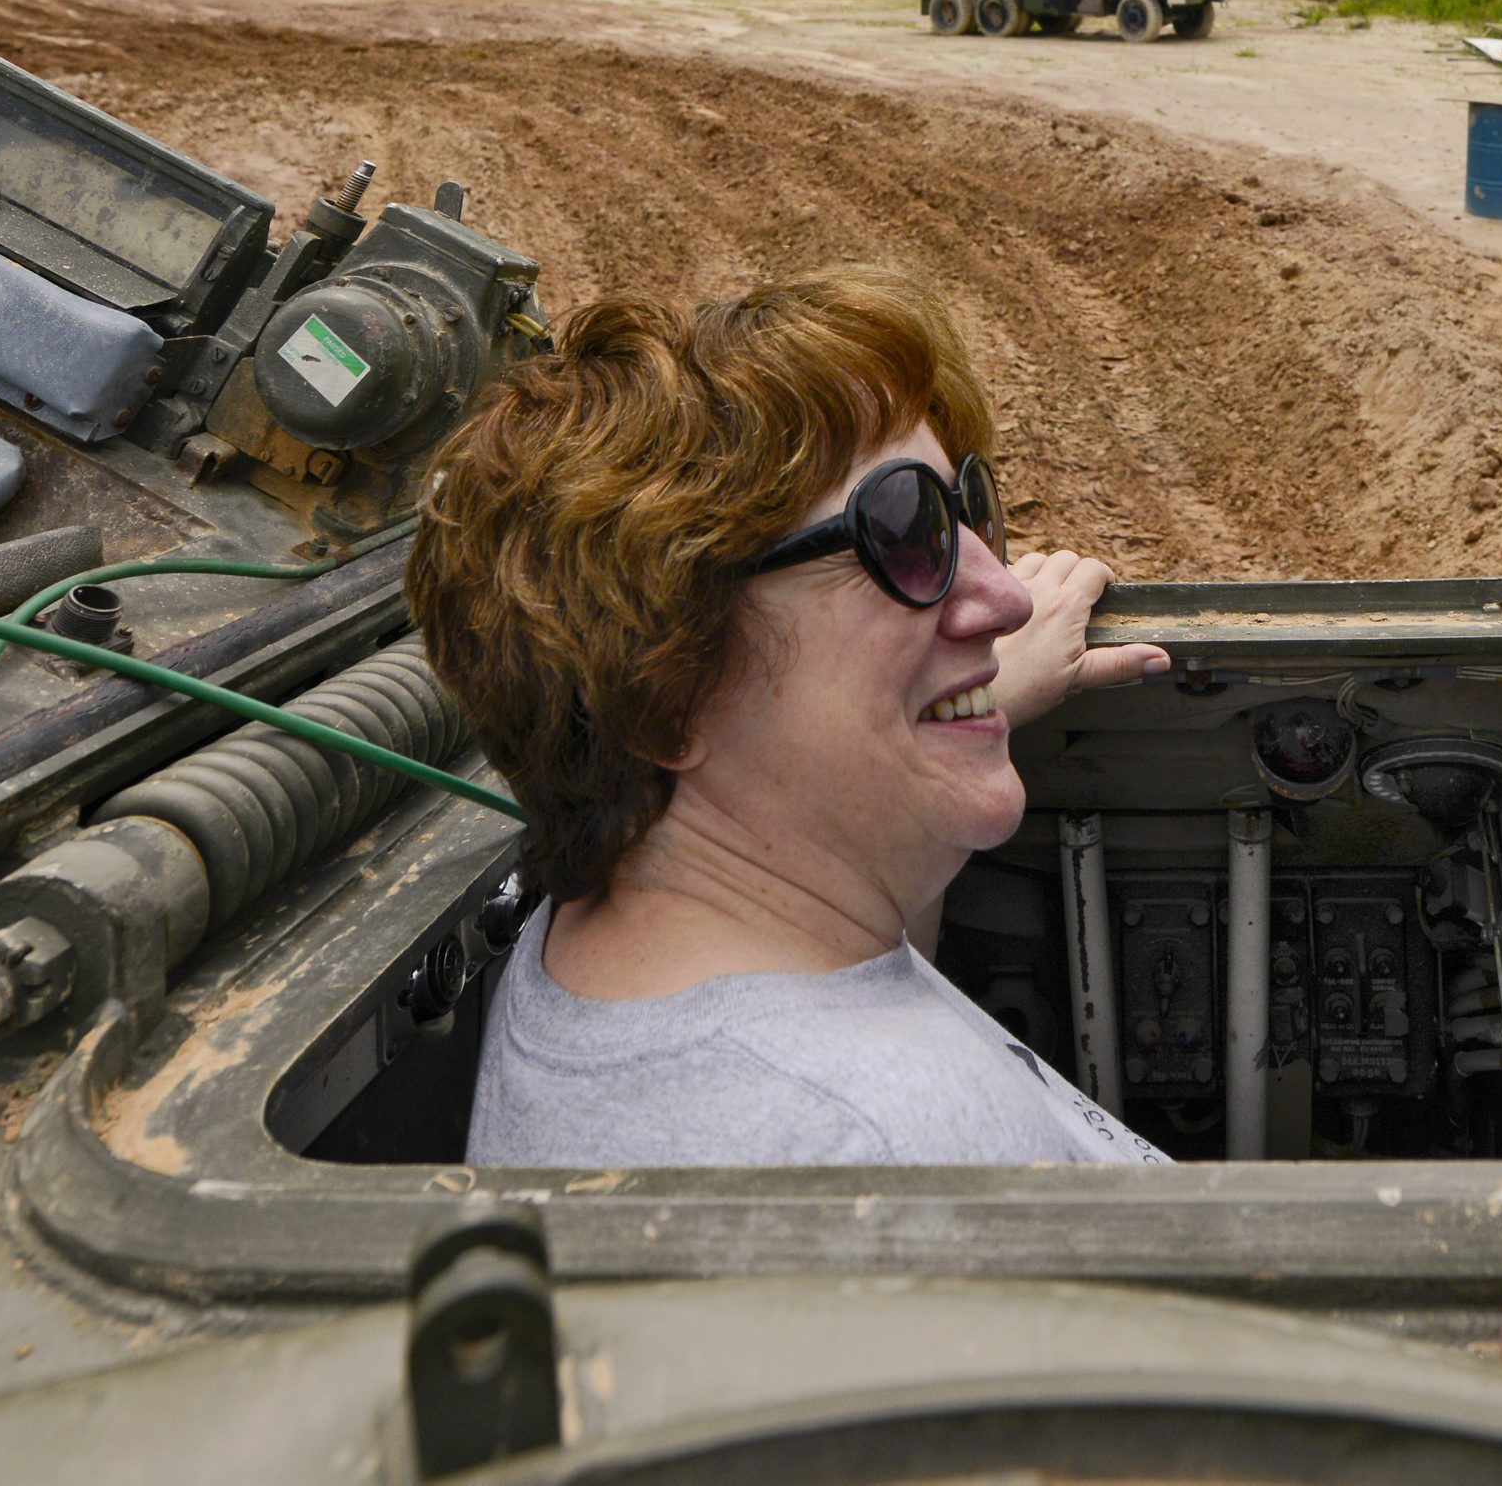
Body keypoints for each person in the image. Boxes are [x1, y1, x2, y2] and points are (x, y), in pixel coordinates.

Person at [406, 270, 1171, 1167]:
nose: (1004, 596)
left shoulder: (630, 926)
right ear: (662, 690)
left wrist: (959, 705)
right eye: (902, 531)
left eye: (966, 509)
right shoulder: (897, 1142)